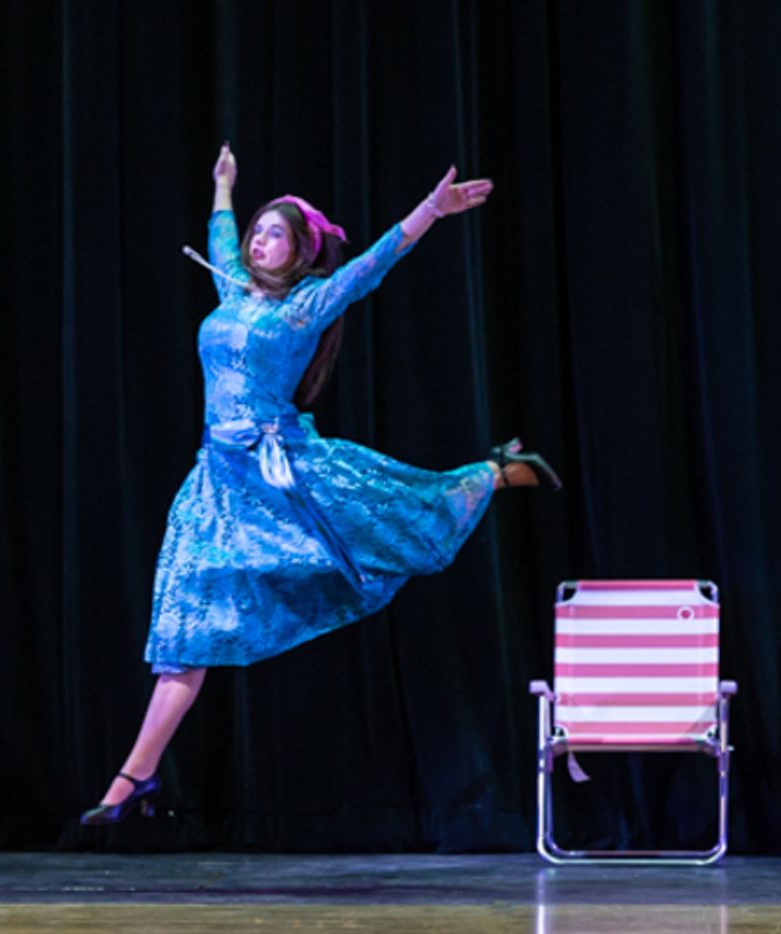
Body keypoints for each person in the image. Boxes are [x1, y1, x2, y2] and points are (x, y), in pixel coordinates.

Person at [81, 143, 559, 825]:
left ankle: (492, 472)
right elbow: (221, 235)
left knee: (399, 509)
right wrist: (223, 187)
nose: (257, 240)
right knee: (182, 629)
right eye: (256, 232)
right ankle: (133, 781)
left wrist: (432, 208)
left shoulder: (306, 305)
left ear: (301, 251)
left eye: (274, 233)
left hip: (281, 473)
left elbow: (373, 266)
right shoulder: (233, 291)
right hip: (215, 485)